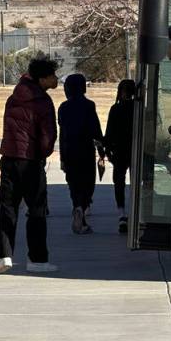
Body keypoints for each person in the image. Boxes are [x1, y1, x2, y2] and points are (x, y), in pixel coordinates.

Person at [0, 57, 60, 275]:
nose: (56, 79)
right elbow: (47, 138)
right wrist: (43, 154)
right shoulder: (42, 102)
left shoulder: (13, 98)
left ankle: (4, 255)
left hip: (9, 159)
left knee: (8, 208)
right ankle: (37, 259)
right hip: (30, 161)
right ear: (42, 79)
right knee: (37, 210)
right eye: (52, 76)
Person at [58, 73, 103, 235]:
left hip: (69, 152)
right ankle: (82, 210)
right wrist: (102, 150)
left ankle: (77, 207)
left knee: (74, 185)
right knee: (87, 185)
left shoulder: (63, 108)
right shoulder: (89, 105)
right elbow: (95, 130)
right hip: (85, 151)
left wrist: (62, 158)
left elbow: (62, 134)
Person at [104, 79, 136, 234]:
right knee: (136, 182)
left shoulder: (115, 109)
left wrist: (106, 151)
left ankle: (122, 213)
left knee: (119, 181)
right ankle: (135, 211)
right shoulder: (139, 109)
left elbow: (109, 132)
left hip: (119, 151)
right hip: (135, 150)